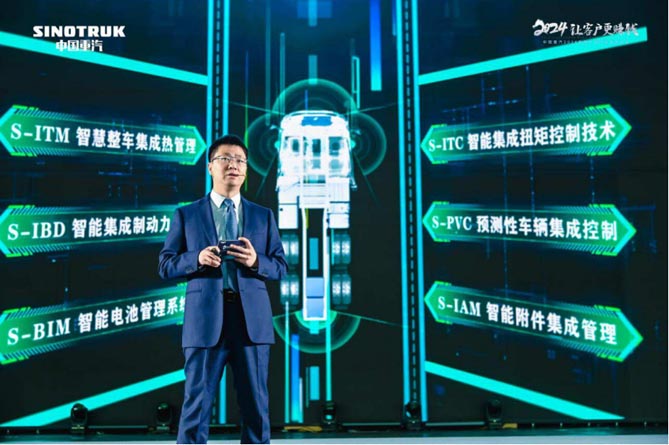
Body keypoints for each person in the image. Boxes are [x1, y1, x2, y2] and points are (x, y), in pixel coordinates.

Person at [159, 134, 287, 444]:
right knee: (196, 406)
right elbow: (166, 265)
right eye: (225, 159)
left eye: (240, 160)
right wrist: (196, 258)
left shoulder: (263, 216)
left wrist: (256, 261)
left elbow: (280, 266)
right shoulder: (187, 214)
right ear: (210, 167)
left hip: (250, 323)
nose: (234, 165)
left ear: (246, 169)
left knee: (256, 408)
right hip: (205, 322)